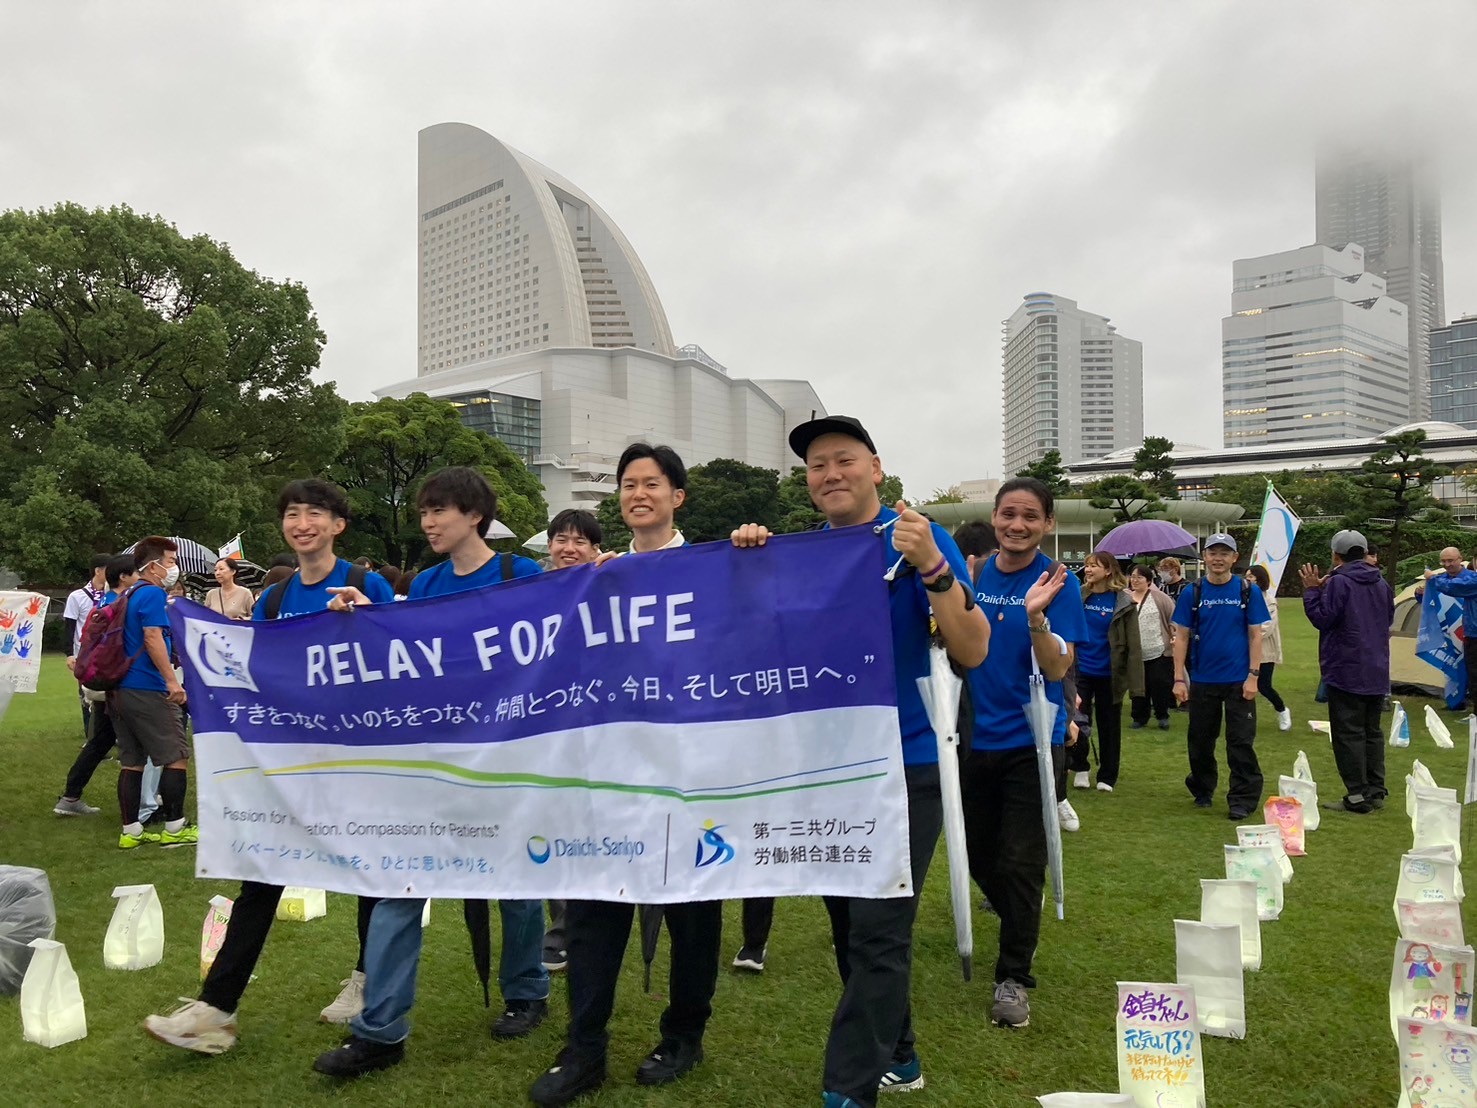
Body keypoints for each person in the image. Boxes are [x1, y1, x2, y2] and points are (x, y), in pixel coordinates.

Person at [728, 415, 987, 1106]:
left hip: (908, 764)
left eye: (843, 460)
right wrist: (743, 562)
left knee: (878, 930)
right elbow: (759, 643)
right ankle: (898, 1054)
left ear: (875, 467)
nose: (830, 474)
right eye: (817, 466)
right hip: (830, 770)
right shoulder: (799, 556)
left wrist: (932, 566)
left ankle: (846, 1090)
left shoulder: (916, 540)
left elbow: (972, 648)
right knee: (848, 927)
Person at [143, 479, 396, 1056]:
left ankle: (367, 979)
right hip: (290, 764)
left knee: (369, 870)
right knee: (260, 875)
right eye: (292, 514)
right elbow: (263, 672)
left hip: (360, 760)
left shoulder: (365, 583)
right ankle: (217, 1008)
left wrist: (362, 620)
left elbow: (402, 661)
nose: (302, 522)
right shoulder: (277, 600)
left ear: (338, 525)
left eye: (315, 513)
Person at [312, 467, 550, 1078]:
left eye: (439, 510)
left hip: (505, 758)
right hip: (433, 762)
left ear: (475, 515)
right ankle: (380, 1031)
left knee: (514, 886)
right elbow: (410, 653)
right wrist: (368, 615)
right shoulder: (424, 583)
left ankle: (527, 992)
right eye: (424, 511)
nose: (428, 521)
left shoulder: (518, 575)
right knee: (400, 886)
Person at [530, 444, 731, 1106]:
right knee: (592, 912)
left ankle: (683, 1036)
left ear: (677, 496)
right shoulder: (600, 578)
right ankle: (584, 1048)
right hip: (610, 777)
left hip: (687, 774)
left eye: (651, 483)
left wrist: (753, 550)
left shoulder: (715, 570)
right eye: (626, 484)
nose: (637, 493)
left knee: (691, 918)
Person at [962, 477, 1085, 1032]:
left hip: (1030, 741)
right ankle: (1018, 908)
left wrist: (1036, 616)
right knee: (978, 857)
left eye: (1030, 517)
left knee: (1020, 860)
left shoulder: (1060, 582)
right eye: (1008, 514)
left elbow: (1058, 667)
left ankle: (1013, 976)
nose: (1018, 525)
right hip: (968, 738)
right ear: (994, 517)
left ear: (1048, 524)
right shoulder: (973, 572)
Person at [538, 508, 604, 975]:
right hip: (546, 732)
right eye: (561, 539)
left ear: (596, 548)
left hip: (603, 730)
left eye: (580, 541)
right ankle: (562, 929)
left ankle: (589, 920)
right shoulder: (530, 593)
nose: (569, 548)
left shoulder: (611, 583)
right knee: (553, 829)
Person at [1171, 533, 1270, 821]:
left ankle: (1241, 799)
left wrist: (1254, 676)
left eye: (1224, 553)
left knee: (1240, 742)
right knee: (1200, 741)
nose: (1218, 558)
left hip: (1239, 680)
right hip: (1203, 679)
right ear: (1204, 556)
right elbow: (1181, 637)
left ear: (1234, 558)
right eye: (1213, 552)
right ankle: (1202, 787)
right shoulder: (1194, 591)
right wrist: (1179, 678)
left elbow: (1255, 635)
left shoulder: (1247, 590)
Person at [107, 536, 196, 850]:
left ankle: (131, 831)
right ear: (153, 565)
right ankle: (174, 827)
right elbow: (153, 637)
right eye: (170, 562)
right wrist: (172, 681)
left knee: (132, 762)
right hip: (146, 686)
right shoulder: (153, 594)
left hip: (119, 688)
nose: (173, 568)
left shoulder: (123, 594)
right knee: (176, 756)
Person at [1301, 530, 1395, 814]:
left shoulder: (1339, 582)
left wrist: (1311, 591)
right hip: (1376, 666)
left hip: (1346, 667)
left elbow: (1323, 619)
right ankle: (1375, 789)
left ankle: (1356, 794)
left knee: (1348, 733)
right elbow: (1388, 619)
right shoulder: (1382, 583)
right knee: (1372, 731)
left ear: (1336, 554)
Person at [53, 554, 137, 816]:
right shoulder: (120, 604)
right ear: (122, 576)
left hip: (101, 680)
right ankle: (145, 804)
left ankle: (70, 797)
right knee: (139, 742)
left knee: (100, 741)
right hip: (118, 682)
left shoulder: (103, 601)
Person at [1069, 552, 1140, 793]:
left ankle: (1108, 775)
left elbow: (1133, 644)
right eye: (1086, 566)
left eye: (1093, 566)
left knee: (1109, 724)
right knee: (1078, 720)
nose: (1088, 570)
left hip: (1111, 672)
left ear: (1108, 571)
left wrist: (1137, 684)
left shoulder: (1123, 602)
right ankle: (1080, 766)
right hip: (1080, 670)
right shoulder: (1078, 596)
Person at [1419, 547, 1477, 711]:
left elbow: (1454, 587)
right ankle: (1458, 702)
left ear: (1461, 559)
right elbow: (1430, 600)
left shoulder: (1471, 580)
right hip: (1457, 633)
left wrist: (1433, 579)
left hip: (1469, 631)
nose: (1447, 564)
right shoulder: (1443, 578)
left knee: (1474, 673)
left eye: (1450, 560)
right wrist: (1420, 593)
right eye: (1443, 561)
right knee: (1466, 672)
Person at [62, 554, 111, 737]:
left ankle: (109, 735)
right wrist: (69, 653)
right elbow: (69, 626)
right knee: (88, 696)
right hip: (84, 655)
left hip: (109, 654)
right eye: (108, 569)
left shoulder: (113, 596)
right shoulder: (77, 597)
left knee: (109, 695)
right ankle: (91, 737)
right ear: (98, 571)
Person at [1126, 564, 1175, 731]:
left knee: (1159, 684)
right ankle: (1139, 717)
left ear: (1149, 580)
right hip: (1134, 652)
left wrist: (1174, 636)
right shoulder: (1125, 597)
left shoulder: (1160, 598)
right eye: (1132, 577)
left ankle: (1162, 715)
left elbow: (1172, 619)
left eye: (1139, 577)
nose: (1135, 580)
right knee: (1138, 686)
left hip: (1158, 650)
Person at [1245, 565, 1292, 731]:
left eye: (1250, 576)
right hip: (1245, 650)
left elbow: (1266, 628)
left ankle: (1282, 710)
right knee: (1242, 685)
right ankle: (1246, 717)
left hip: (1265, 652)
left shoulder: (1269, 601)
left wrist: (1246, 634)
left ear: (1259, 579)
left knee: (1263, 686)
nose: (1247, 580)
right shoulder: (1245, 599)